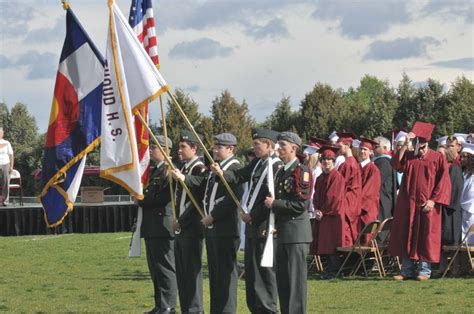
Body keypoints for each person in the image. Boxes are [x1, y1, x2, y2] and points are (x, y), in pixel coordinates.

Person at [213, 128, 281, 314]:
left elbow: (270, 196)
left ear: (268, 144)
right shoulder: (258, 163)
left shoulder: (276, 166)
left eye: (257, 144)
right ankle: (256, 308)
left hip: (265, 226)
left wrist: (254, 214)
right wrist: (222, 174)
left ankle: (267, 309)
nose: (254, 148)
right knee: (252, 274)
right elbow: (239, 176)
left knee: (264, 274)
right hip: (251, 226)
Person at [175, 133, 243, 314]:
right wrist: (184, 179)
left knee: (225, 277)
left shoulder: (235, 168)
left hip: (225, 228)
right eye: (215, 146)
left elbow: (232, 199)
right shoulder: (216, 167)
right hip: (212, 229)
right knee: (215, 277)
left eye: (219, 147)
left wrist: (212, 216)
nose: (214, 149)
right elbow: (203, 187)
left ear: (231, 149)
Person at [389, 121, 451, 281]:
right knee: (407, 234)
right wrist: (405, 145)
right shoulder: (410, 157)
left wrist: (433, 200)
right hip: (409, 204)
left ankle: (425, 271)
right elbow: (395, 164)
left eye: (423, 147)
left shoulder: (437, 158)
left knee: (426, 236)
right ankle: (406, 271)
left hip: (427, 205)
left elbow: (443, 182)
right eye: (419, 146)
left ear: (428, 144)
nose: (421, 150)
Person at [264, 131, 312, 314]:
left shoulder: (302, 171)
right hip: (284, 232)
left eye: (283, 144)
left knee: (295, 284)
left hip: (296, 233)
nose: (279, 148)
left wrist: (274, 204)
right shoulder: (281, 171)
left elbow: (301, 204)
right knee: (283, 283)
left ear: (294, 147)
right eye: (278, 144)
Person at [138, 137, 177, 314]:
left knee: (165, 268)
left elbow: (163, 197)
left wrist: (142, 199)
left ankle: (168, 305)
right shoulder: (155, 171)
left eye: (154, 147)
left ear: (165, 149)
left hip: (163, 225)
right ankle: (160, 304)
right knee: (155, 268)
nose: (151, 150)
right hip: (152, 226)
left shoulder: (169, 171)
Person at [172, 130, 207, 314]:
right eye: (179, 147)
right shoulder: (184, 168)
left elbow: (196, 202)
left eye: (183, 147)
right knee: (182, 272)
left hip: (191, 227)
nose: (179, 150)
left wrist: (181, 221)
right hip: (181, 227)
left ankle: (195, 309)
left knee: (192, 272)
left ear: (194, 148)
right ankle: (186, 308)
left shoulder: (199, 169)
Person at [312, 145, 346, 279]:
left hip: (332, 216)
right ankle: (328, 270)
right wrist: (316, 209)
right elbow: (315, 196)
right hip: (322, 215)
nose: (326, 161)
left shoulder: (336, 177)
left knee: (331, 245)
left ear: (333, 161)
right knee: (323, 244)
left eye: (329, 159)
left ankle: (334, 271)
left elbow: (334, 197)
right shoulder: (320, 178)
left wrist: (323, 211)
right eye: (324, 159)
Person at [437, 144, 464, 275]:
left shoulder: (454, 169)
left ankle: (456, 267)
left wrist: (444, 202)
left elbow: (456, 189)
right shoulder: (439, 169)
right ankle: (443, 267)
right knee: (441, 239)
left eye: (440, 154)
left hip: (451, 210)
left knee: (454, 239)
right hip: (440, 209)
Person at [336, 132, 362, 245]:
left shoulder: (348, 165)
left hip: (347, 202)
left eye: (340, 146)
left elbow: (341, 185)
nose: (338, 148)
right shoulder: (353, 163)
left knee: (346, 234)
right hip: (352, 202)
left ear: (347, 145)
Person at [358, 138, 381, 238]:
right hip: (356, 208)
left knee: (366, 238)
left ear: (371, 152)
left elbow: (369, 192)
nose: (362, 151)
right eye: (361, 149)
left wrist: (356, 205)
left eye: (365, 150)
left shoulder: (373, 170)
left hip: (367, 209)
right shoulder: (356, 167)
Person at [373, 136, 397, 221]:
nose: (373, 148)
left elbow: (375, 183)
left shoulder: (383, 162)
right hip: (385, 201)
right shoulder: (388, 161)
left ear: (385, 148)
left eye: (376, 146)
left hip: (382, 202)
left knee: (380, 230)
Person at [460, 143, 474, 245]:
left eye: (465, 157)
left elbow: (470, 195)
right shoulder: (464, 173)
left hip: (469, 211)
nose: (462, 159)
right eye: (461, 156)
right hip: (462, 211)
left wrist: (459, 203)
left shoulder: (472, 176)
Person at [0, 127, 14, 206]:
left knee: (5, 182)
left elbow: (11, 155)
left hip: (5, 163)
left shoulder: (7, 142)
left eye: (0, 133)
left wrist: (11, 166)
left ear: (2, 134)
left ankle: (5, 201)